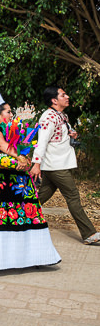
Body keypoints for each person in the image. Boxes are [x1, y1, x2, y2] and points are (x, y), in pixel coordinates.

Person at [0, 79, 60, 270]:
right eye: (7, 111)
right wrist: (20, 156)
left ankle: (30, 257)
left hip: (14, 182)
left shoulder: (12, 129)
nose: (11, 113)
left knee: (22, 214)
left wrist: (23, 152)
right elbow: (1, 146)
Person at [30, 86, 99, 246]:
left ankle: (17, 214)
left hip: (59, 162)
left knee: (41, 196)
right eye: (63, 95)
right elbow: (42, 141)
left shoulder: (61, 115)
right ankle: (89, 233)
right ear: (54, 100)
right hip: (55, 164)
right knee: (73, 196)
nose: (67, 96)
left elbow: (58, 136)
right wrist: (36, 163)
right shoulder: (48, 117)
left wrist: (71, 134)